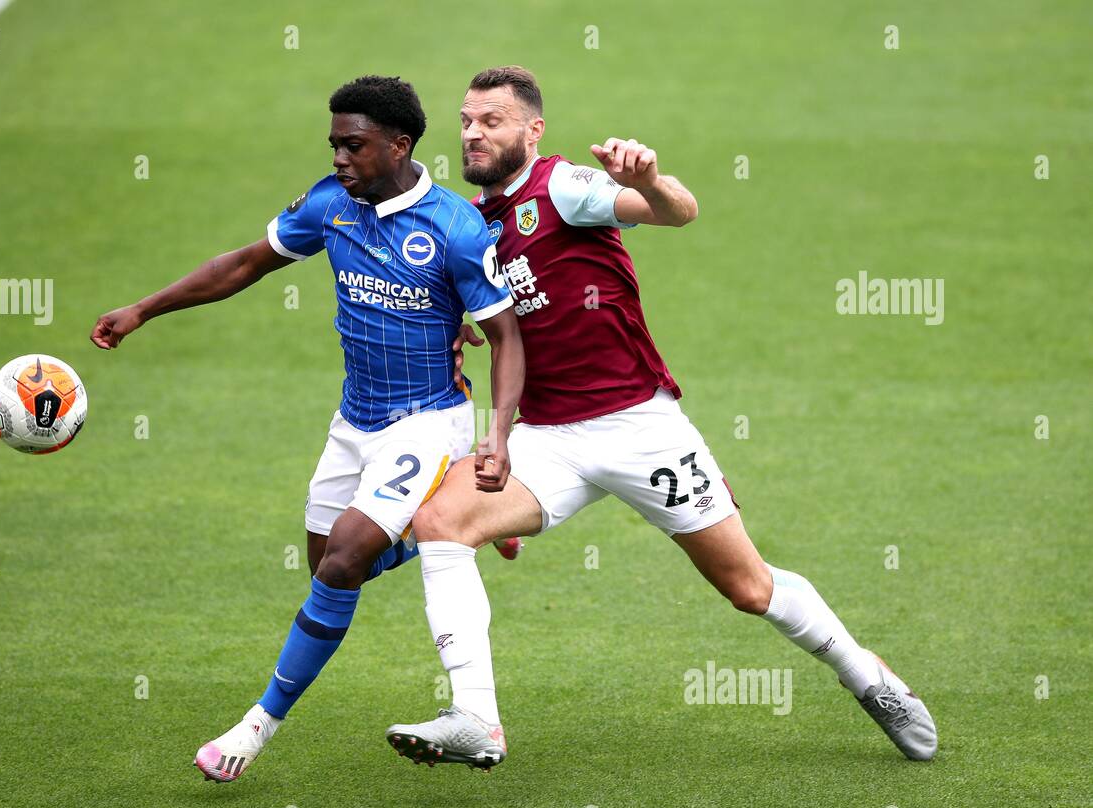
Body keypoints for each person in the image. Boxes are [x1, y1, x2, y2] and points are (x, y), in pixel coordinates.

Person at [384, 66, 936, 769]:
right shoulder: (473, 222)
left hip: (639, 427)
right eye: (466, 120)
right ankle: (476, 719)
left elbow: (679, 211)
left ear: (532, 129)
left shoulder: (564, 187)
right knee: (440, 523)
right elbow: (507, 325)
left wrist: (647, 180)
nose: (473, 132)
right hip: (549, 437)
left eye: (491, 120)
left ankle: (868, 676)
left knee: (748, 587)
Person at [89, 75, 524, 783]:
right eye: (333, 146)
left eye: (352, 146)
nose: (338, 160)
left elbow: (505, 337)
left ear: (399, 144)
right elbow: (244, 264)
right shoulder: (331, 207)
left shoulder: (453, 228)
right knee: (327, 564)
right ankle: (463, 519)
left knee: (345, 558)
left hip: (427, 420)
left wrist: (496, 435)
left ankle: (256, 726)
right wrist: (145, 308)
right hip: (354, 421)